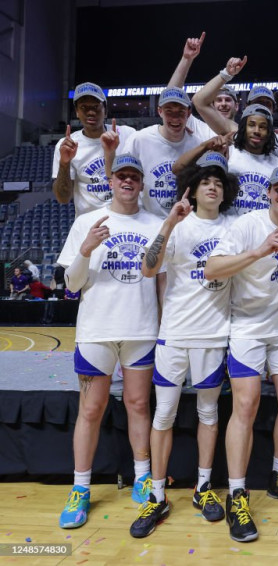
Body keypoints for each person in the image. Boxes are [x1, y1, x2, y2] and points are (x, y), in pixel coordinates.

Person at [127, 151, 237, 539]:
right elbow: (148, 268)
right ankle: (157, 495)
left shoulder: (234, 228)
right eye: (206, 182)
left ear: (225, 192)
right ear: (193, 188)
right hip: (174, 334)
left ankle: (203, 488)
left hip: (213, 335)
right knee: (164, 415)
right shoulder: (176, 225)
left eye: (218, 183)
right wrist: (169, 223)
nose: (212, 187)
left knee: (209, 413)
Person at [56, 154, 164, 529]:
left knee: (138, 404)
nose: (128, 181)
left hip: (141, 328)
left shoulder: (155, 224)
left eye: (134, 176)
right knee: (91, 409)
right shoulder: (87, 222)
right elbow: (72, 284)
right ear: (111, 181)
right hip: (97, 329)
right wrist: (85, 249)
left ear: (142, 183)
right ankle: (80, 488)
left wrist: (163, 327)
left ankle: (142, 475)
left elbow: (162, 280)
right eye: (121, 176)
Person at [204, 165, 278, 542]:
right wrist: (259, 251)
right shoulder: (247, 224)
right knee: (245, 406)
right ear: (268, 192)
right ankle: (237, 494)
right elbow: (212, 269)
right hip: (247, 328)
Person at [117, 88, 212, 218]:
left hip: (185, 221)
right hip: (145, 220)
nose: (175, 118)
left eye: (180, 112)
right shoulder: (139, 139)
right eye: (169, 111)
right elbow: (120, 178)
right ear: (160, 111)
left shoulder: (197, 144)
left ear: (189, 113)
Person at [52, 82, 136, 217]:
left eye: (96, 107)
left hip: (126, 220)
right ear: (77, 112)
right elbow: (63, 198)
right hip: (90, 223)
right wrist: (64, 163)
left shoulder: (128, 135)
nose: (91, 112)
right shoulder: (67, 145)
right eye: (84, 107)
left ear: (105, 111)